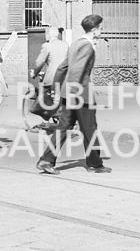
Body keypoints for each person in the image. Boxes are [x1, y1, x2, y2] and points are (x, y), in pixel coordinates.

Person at [37, 14, 110, 174]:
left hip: (68, 93)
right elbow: (77, 70)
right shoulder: (87, 46)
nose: (102, 31)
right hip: (80, 95)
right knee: (90, 128)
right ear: (94, 29)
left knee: (62, 128)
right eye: (101, 28)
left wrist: (58, 90)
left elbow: (62, 67)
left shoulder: (76, 43)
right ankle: (94, 164)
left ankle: (46, 160)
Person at [29, 26, 69, 127]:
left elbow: (39, 62)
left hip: (52, 78)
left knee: (43, 99)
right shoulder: (66, 45)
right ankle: (58, 117)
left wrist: (34, 72)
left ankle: (50, 116)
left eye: (46, 34)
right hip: (64, 78)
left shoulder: (47, 46)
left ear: (48, 35)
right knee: (59, 98)